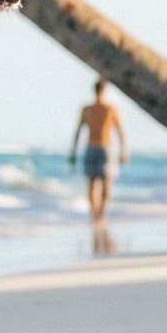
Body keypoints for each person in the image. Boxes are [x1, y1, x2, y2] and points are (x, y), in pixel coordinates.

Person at [68, 79, 126, 242]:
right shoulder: (111, 109)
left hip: (91, 147)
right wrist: (124, 151)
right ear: (105, 90)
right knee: (106, 183)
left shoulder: (87, 109)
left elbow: (77, 132)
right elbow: (121, 132)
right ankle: (101, 215)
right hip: (106, 147)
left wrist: (73, 152)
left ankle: (95, 216)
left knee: (93, 183)